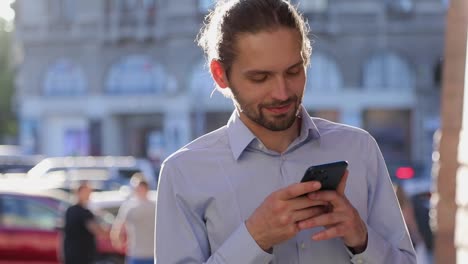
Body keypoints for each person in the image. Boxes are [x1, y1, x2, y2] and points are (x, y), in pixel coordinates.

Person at [155, 0, 416, 263]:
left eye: (293, 71)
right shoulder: (183, 173)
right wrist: (254, 238)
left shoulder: (359, 149)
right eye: (260, 78)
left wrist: (363, 239)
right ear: (220, 74)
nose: (282, 93)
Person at [111, 175, 156, 264]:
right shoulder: (128, 207)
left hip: (152, 253)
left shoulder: (155, 206)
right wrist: (118, 241)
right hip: (135, 253)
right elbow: (118, 227)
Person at [62, 181, 107, 264]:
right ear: (79, 192)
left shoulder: (70, 210)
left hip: (72, 254)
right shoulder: (83, 212)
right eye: (86, 192)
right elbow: (96, 230)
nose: (89, 194)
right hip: (81, 256)